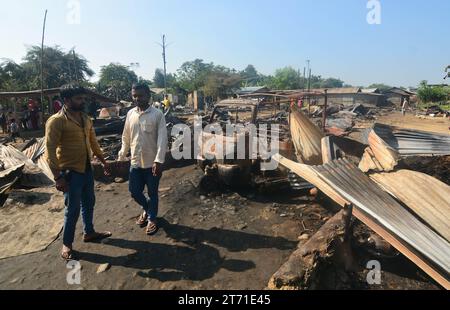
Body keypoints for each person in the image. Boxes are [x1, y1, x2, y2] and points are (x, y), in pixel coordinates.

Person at [45, 83, 112, 261]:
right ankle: (67, 244)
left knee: (89, 203)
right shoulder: (56, 121)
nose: (82, 101)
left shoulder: (86, 118)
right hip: (70, 173)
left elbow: (93, 142)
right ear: (66, 100)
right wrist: (58, 177)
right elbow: (49, 152)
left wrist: (104, 161)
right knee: (72, 210)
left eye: (83, 98)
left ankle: (89, 232)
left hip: (87, 170)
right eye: (78, 98)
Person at [118, 84, 168, 236]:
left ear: (148, 96)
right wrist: (122, 155)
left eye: (140, 95)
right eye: (134, 96)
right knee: (134, 192)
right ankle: (147, 209)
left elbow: (162, 139)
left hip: (152, 163)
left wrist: (158, 161)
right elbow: (126, 137)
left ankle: (152, 218)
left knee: (153, 193)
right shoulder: (130, 114)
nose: (137, 99)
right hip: (135, 162)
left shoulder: (157, 114)